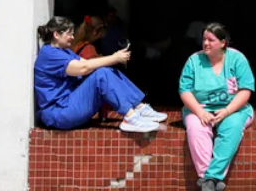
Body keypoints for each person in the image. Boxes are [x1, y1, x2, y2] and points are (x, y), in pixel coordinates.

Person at [34, 16, 166, 133]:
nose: (73, 38)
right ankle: (131, 118)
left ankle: (139, 107)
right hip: (59, 113)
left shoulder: (64, 52)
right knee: (102, 74)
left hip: (68, 107)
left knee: (105, 71)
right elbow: (83, 68)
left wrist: (113, 58)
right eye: (69, 34)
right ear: (56, 34)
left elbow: (86, 63)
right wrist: (114, 58)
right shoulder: (49, 54)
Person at [179, 23, 255, 191]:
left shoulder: (237, 59)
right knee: (196, 129)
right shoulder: (194, 61)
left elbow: (245, 90)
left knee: (232, 128)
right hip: (200, 108)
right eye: (204, 39)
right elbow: (185, 90)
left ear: (222, 42)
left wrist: (227, 111)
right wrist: (200, 112)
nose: (205, 43)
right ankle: (211, 180)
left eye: (210, 40)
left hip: (233, 109)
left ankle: (209, 178)